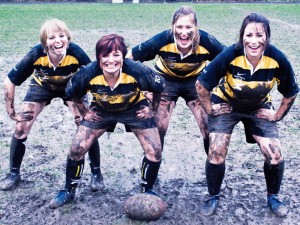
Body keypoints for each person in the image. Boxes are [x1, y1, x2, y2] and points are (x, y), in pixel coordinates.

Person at [195, 13, 299, 217]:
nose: (254, 41)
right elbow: (201, 85)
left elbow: (291, 92)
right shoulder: (229, 55)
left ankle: (273, 197)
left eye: (259, 35)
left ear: (267, 37)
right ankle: (213, 196)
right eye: (249, 35)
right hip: (226, 103)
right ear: (242, 36)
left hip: (258, 106)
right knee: (216, 151)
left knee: (275, 155)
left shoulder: (277, 59)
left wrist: (277, 116)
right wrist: (210, 109)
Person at [49, 34, 165, 209]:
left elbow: (159, 86)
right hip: (102, 109)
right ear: (98, 58)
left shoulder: (137, 70)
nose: (111, 60)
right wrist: (84, 112)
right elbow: (72, 92)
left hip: (133, 108)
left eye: (116, 55)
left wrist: (152, 109)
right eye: (105, 55)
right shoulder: (88, 72)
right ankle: (68, 191)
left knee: (155, 149)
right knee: (76, 148)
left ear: (123, 57)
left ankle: (147, 188)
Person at [1, 19, 104, 192]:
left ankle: (96, 173)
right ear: (44, 43)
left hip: (70, 87)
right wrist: (12, 112)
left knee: (86, 125)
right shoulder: (35, 54)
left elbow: (95, 77)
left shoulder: (76, 52)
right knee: (21, 127)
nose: (58, 41)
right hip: (42, 86)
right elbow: (9, 81)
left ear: (68, 38)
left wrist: (94, 105)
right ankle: (13, 173)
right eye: (51, 38)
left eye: (62, 36)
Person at [126, 6, 225, 154]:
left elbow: (231, 60)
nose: (183, 32)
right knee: (158, 127)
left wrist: (221, 87)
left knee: (208, 127)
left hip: (195, 81)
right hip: (166, 81)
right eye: (179, 27)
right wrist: (144, 88)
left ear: (196, 27)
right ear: (172, 27)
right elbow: (129, 58)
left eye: (188, 27)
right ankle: (152, 168)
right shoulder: (162, 39)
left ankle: (213, 165)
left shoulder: (206, 41)